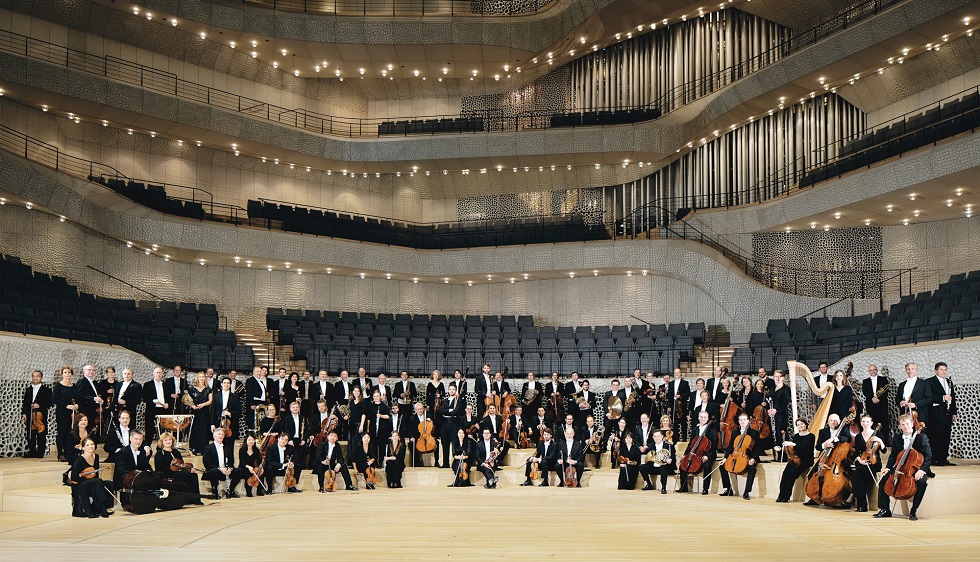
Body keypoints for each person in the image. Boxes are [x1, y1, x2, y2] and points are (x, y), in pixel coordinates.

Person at [875, 414, 932, 520]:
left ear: (912, 424)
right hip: (900, 466)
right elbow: (893, 455)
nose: (905, 426)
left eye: (907, 424)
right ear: (900, 426)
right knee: (884, 480)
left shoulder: (921, 437)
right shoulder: (897, 438)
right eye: (903, 424)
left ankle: (913, 510)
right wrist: (887, 468)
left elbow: (928, 455)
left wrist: (922, 471)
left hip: (917, 467)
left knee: (922, 482)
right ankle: (885, 509)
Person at [69, 437, 114, 518]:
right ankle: (101, 508)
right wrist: (87, 478)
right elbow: (74, 477)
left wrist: (92, 480)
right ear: (83, 448)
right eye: (88, 445)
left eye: (92, 444)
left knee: (109, 483)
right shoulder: (80, 459)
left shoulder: (96, 456)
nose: (91, 446)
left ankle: (104, 507)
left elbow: (95, 474)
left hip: (93, 483)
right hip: (80, 485)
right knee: (98, 481)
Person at [720, 413, 761, 500]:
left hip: (748, 456)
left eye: (744, 420)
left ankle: (747, 491)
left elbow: (757, 448)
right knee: (722, 466)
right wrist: (725, 458)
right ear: (738, 422)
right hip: (736, 455)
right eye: (741, 420)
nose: (743, 422)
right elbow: (731, 447)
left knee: (752, 468)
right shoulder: (735, 432)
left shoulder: (754, 432)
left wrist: (753, 459)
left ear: (748, 421)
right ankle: (728, 489)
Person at [153, 432, 203, 505]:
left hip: (178, 472)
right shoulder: (159, 453)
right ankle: (186, 498)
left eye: (170, 439)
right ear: (162, 442)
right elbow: (159, 468)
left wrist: (189, 469)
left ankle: (195, 499)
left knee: (193, 475)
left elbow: (181, 464)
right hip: (166, 473)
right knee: (184, 475)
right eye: (166, 440)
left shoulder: (176, 452)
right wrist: (172, 468)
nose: (168, 441)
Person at [851, 415, 886, 512]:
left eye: (867, 422)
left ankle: (859, 502)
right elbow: (857, 452)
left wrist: (880, 441)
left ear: (871, 423)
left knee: (859, 473)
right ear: (861, 423)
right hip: (862, 461)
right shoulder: (858, 436)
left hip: (874, 462)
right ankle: (860, 502)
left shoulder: (877, 434)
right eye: (863, 422)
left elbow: (884, 450)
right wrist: (860, 460)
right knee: (860, 471)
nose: (865, 424)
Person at [775, 419, 815, 503]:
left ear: (806, 424)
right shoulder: (796, 436)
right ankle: (781, 495)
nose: (800, 426)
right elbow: (794, 449)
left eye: (802, 424)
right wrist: (787, 447)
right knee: (785, 474)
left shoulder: (811, 436)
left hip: (805, 460)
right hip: (795, 458)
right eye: (798, 425)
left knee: (791, 474)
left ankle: (786, 496)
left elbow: (805, 447)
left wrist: (793, 444)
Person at [678, 410, 717, 494]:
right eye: (701, 417)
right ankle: (683, 487)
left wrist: (708, 456)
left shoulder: (712, 429)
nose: (703, 419)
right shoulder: (695, 429)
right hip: (695, 452)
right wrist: (685, 455)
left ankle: (705, 488)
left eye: (705, 417)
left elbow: (714, 444)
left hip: (708, 453)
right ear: (698, 418)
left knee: (707, 466)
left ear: (707, 418)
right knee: (683, 464)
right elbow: (691, 444)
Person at [926, 362, 957, 466]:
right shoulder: (929, 382)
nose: (944, 372)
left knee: (946, 436)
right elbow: (928, 397)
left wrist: (954, 412)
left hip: (947, 412)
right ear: (935, 371)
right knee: (935, 436)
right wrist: (942, 398)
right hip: (935, 413)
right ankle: (933, 459)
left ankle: (943, 459)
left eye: (945, 369)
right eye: (941, 370)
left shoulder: (949, 381)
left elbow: (953, 397)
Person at [203, 427, 245, 499]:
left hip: (226, 471)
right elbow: (207, 463)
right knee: (214, 471)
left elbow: (231, 461)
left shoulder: (227, 448)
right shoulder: (208, 448)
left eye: (222, 434)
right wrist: (220, 468)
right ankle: (215, 491)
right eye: (219, 434)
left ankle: (231, 490)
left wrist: (230, 468)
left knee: (239, 470)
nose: (221, 436)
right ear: (214, 436)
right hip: (215, 470)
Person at [22, 370, 52, 458]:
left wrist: (40, 405)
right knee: (30, 434)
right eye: (34, 376)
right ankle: (32, 452)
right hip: (29, 414)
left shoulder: (46, 390)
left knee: (41, 433)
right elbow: (25, 403)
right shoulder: (28, 390)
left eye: (37, 376)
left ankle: (40, 452)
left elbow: (50, 402)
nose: (35, 378)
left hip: (40, 415)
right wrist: (24, 414)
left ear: (41, 378)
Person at [896, 362, 932, 428]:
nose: (910, 371)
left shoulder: (924, 383)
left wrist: (915, 404)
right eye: (908, 369)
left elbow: (929, 398)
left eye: (912, 369)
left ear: (916, 370)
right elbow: (897, 398)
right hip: (905, 414)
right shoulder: (902, 384)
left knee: (919, 435)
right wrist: (901, 402)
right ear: (906, 370)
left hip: (919, 414)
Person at [210, 377, 241, 448]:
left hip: (231, 425)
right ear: (221, 384)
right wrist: (212, 424)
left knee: (230, 446)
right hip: (218, 422)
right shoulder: (216, 396)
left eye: (228, 383)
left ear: (230, 385)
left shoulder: (235, 397)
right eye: (224, 383)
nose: (226, 384)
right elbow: (213, 411)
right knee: (218, 445)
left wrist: (230, 413)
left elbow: (239, 412)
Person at [188, 372, 213, 454]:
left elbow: (210, 400)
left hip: (204, 412)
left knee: (203, 430)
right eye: (200, 377)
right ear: (197, 378)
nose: (201, 378)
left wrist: (203, 404)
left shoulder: (208, 389)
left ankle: (203, 449)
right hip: (195, 411)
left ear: (205, 378)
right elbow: (187, 400)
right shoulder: (192, 389)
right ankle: (194, 448)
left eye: (203, 377)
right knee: (194, 430)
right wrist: (192, 406)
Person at [862, 364, 891, 437]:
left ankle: (885, 441)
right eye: (871, 370)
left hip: (882, 404)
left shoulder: (883, 379)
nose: (873, 371)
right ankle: (873, 439)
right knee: (872, 422)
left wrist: (879, 399)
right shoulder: (865, 381)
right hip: (871, 405)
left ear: (877, 370)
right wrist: (872, 398)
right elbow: (865, 392)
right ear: (869, 371)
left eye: (874, 369)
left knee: (884, 422)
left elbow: (886, 391)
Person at [439, 383, 464, 467]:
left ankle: (455, 463)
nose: (451, 391)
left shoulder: (458, 400)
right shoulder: (445, 400)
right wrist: (449, 410)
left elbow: (456, 411)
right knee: (444, 443)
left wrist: (448, 411)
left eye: (453, 389)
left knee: (454, 443)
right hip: (444, 424)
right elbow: (441, 411)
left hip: (454, 423)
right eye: (450, 389)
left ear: (455, 390)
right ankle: (445, 463)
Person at [142, 367, 170, 437]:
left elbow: (168, 397)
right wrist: (153, 401)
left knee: (163, 430)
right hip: (152, 410)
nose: (158, 374)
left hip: (163, 410)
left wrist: (168, 403)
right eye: (157, 372)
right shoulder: (147, 384)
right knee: (149, 430)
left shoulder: (166, 384)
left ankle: (162, 446)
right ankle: (148, 446)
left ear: (162, 374)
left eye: (160, 372)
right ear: (153, 373)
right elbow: (144, 398)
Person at [245, 366, 270, 431]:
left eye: (260, 371)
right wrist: (252, 404)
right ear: (253, 372)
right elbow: (249, 393)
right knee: (253, 420)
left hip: (261, 403)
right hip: (254, 403)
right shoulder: (250, 380)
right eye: (257, 371)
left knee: (260, 421)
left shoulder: (260, 381)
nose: (259, 373)